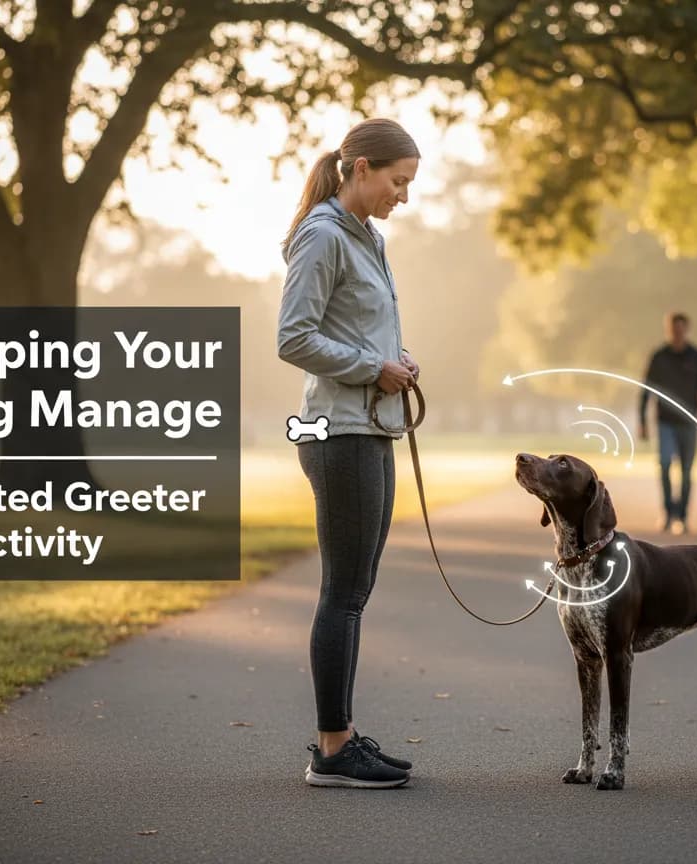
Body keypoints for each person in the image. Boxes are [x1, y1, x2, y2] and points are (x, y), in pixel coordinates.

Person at [277, 118, 422, 789]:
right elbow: (294, 338)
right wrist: (373, 366)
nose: (404, 195)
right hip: (339, 436)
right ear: (361, 168)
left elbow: (357, 329)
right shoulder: (322, 235)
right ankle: (332, 749)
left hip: (370, 429)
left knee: (355, 593)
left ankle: (341, 737)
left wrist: (394, 361)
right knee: (343, 593)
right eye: (398, 181)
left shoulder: (368, 236)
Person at [637, 312, 697, 535]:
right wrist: (642, 421)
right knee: (664, 464)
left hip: (689, 422)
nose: (677, 333)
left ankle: (682, 516)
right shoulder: (659, 356)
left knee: (687, 471)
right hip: (665, 422)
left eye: (680, 329)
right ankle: (667, 512)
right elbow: (647, 389)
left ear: (686, 330)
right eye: (673, 329)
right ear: (668, 330)